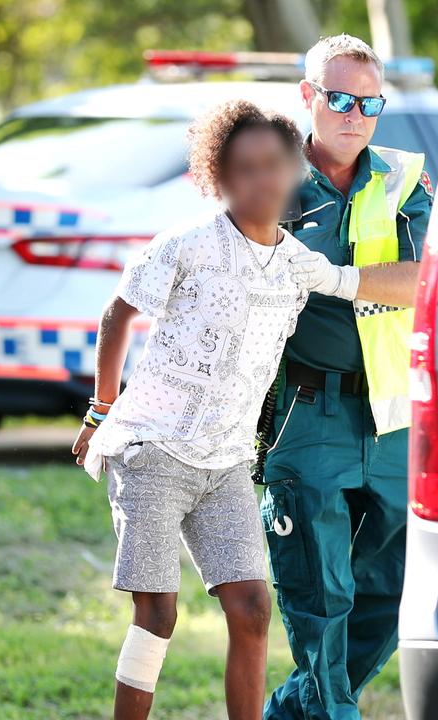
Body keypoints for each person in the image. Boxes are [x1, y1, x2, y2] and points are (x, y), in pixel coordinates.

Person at [70, 100, 310, 720]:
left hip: (226, 461)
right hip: (152, 448)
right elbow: (118, 312)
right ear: (219, 178)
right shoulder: (188, 245)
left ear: (294, 169)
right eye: (244, 168)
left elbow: (358, 284)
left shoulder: (297, 266)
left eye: (273, 165)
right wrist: (101, 410)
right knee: (158, 615)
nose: (261, 179)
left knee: (254, 608)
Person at [263, 34, 434, 720]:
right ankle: (332, 713)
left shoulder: (401, 179)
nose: (354, 113)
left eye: (369, 102)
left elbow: (421, 280)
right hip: (307, 414)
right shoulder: (268, 179)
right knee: (320, 595)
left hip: (391, 419)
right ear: (308, 98)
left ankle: (292, 712)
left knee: (395, 593)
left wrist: (332, 279)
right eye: (338, 98)